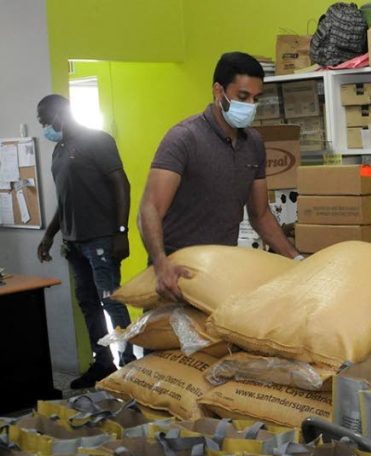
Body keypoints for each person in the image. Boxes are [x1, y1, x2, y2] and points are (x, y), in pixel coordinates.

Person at [139, 51, 299, 302]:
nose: (249, 106)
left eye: (256, 99)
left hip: (220, 271)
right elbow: (150, 207)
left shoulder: (254, 143)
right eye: (242, 97)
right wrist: (161, 264)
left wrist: (296, 260)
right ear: (218, 91)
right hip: (176, 273)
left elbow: (260, 215)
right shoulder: (184, 139)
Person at [35, 94, 135, 388]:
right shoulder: (59, 150)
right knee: (88, 303)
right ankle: (103, 364)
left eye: (44, 121)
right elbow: (65, 199)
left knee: (111, 301)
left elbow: (122, 185)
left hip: (101, 238)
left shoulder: (98, 141)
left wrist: (121, 232)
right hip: (73, 242)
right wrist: (50, 234)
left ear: (58, 115)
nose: (44, 127)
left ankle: (131, 365)